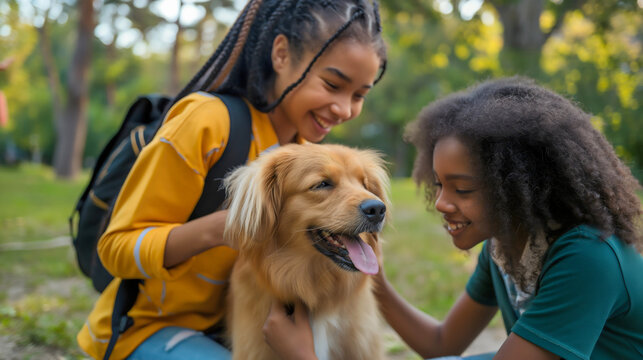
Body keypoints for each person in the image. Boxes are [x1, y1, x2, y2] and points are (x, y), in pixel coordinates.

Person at [76, 0, 387, 359]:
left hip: (233, 326)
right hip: (149, 328)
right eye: (333, 84)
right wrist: (223, 227)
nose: (345, 109)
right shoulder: (206, 124)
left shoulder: (305, 153)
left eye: (359, 95)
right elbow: (115, 248)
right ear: (282, 54)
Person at [262, 77, 643, 360]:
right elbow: (441, 343)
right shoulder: (506, 247)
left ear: (519, 188)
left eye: (462, 189)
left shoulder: (587, 258)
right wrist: (372, 276)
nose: (442, 203)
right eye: (439, 184)